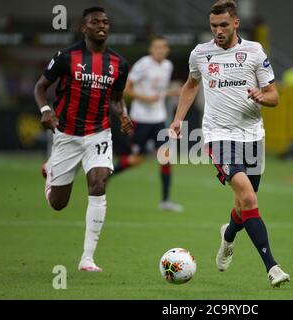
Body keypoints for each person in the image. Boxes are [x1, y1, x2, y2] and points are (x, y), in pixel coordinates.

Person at [169, 0, 290, 287]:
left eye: (223, 25)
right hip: (217, 136)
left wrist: (261, 95)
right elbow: (191, 85)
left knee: (243, 204)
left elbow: (275, 96)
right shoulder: (201, 53)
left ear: (236, 23)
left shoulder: (254, 52)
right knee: (249, 199)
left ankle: (228, 236)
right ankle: (272, 268)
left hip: (252, 137)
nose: (218, 31)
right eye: (213, 26)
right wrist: (178, 120)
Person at [34, 7, 133, 272]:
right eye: (95, 22)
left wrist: (122, 114)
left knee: (99, 182)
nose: (102, 26)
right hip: (66, 134)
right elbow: (40, 87)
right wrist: (46, 110)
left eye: (106, 22)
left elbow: (115, 98)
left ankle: (87, 258)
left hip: (98, 133)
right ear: (83, 27)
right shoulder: (67, 57)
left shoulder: (119, 64)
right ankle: (50, 169)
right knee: (58, 204)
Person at [113, 36, 183, 212]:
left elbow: (157, 93)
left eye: (163, 47)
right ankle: (105, 175)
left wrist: (171, 93)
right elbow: (126, 90)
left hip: (158, 118)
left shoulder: (167, 66)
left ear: (166, 50)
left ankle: (165, 201)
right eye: (156, 47)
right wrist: (146, 98)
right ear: (151, 49)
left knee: (165, 158)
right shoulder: (142, 64)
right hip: (140, 118)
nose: (160, 50)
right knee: (136, 160)